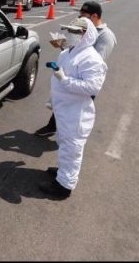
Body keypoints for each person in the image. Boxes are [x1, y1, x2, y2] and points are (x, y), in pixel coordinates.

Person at [38, 17, 107, 198]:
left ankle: (64, 186)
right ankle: (63, 172)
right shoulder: (68, 52)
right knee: (63, 143)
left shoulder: (92, 59)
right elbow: (57, 79)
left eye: (75, 32)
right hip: (63, 110)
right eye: (69, 30)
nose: (70, 34)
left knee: (72, 149)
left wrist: (65, 80)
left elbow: (92, 87)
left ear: (85, 34)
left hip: (76, 113)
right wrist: (52, 101)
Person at [35, 1, 117, 137]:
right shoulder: (80, 28)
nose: (80, 18)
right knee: (63, 104)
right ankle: (54, 127)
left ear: (94, 16)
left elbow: (96, 61)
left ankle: (70, 136)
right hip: (69, 76)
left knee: (76, 114)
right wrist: (62, 44)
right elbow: (73, 48)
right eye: (80, 15)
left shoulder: (105, 36)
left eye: (84, 15)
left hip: (83, 79)